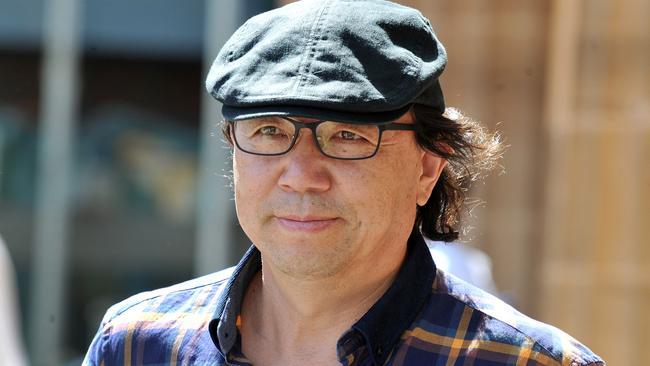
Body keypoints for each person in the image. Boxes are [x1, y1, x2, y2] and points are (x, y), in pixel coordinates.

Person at [83, 1, 605, 365]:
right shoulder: (136, 346)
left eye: (348, 137)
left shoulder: (526, 362)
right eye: (269, 132)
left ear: (428, 167)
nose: (302, 175)